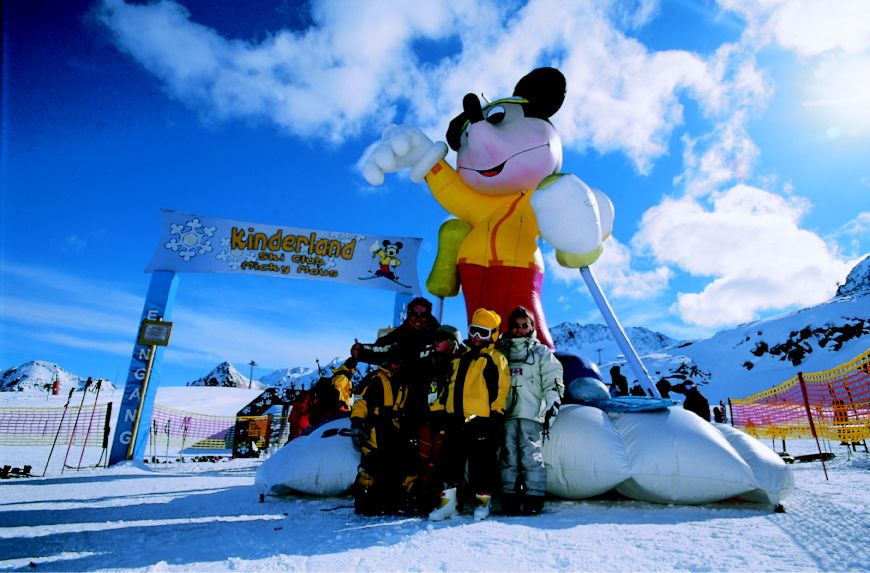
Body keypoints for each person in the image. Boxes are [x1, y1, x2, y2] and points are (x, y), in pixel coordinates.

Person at [429, 308, 510, 522]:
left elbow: (501, 388)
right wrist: (438, 409)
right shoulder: (459, 359)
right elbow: (447, 388)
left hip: (481, 419)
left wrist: (496, 413)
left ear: (493, 335)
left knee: (482, 463)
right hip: (455, 418)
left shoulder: (495, 358)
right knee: (449, 461)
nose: (476, 337)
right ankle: (448, 502)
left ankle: (483, 501)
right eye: (474, 331)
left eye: (483, 333)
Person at [496, 306, 563, 516]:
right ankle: (509, 496)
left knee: (530, 455)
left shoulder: (541, 353)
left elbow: (553, 381)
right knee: (507, 455)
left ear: (532, 327)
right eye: (516, 326)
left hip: (531, 412)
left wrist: (552, 404)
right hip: (506, 413)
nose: (519, 330)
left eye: (524, 325)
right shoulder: (500, 352)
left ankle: (534, 497)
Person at [401, 324, 464, 515]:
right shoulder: (429, 362)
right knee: (422, 459)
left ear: (452, 342)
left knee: (442, 461)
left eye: (441, 339)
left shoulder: (461, 362)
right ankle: (419, 498)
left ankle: (444, 500)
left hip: (448, 419)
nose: (435, 342)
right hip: (426, 417)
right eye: (434, 338)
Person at [348, 349, 408, 516]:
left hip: (395, 428)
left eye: (400, 362)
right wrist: (357, 423)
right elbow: (360, 402)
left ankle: (390, 501)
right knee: (372, 463)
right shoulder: (374, 379)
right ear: (387, 361)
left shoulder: (403, 381)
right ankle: (364, 501)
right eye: (395, 361)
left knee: (395, 464)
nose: (398, 365)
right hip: (375, 427)